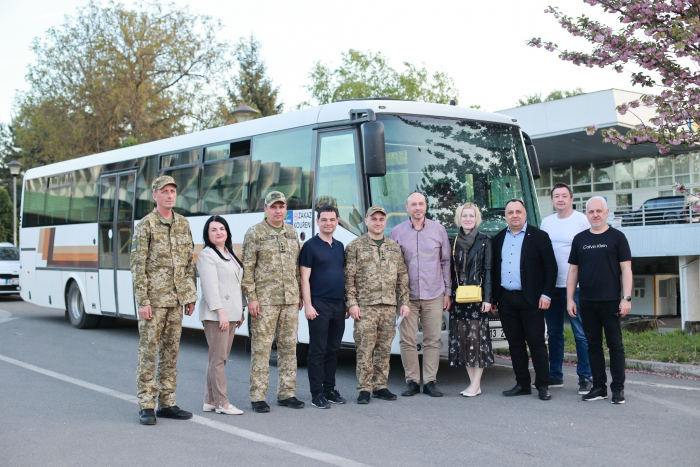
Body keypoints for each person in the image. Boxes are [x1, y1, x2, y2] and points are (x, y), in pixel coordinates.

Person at [131, 175, 198, 425]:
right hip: (154, 301)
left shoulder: (183, 223)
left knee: (171, 354)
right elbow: (138, 266)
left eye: (173, 191)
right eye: (165, 191)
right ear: (155, 196)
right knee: (149, 353)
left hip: (176, 301)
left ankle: (167, 402)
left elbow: (188, 262)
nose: (170, 195)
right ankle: (147, 404)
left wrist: (190, 296)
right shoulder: (146, 224)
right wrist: (143, 301)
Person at [241, 191, 304, 413]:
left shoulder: (292, 232)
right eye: (273, 207)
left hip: (289, 300)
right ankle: (258, 396)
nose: (278, 210)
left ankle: (287, 393)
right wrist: (252, 297)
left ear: (286, 209)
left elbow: (297, 266)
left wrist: (300, 295)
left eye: (282, 206)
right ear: (265, 209)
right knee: (262, 349)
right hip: (265, 302)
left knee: (289, 348)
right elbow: (247, 268)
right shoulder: (255, 233)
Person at [567, 196, 632, 404]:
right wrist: (570, 298)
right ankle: (599, 387)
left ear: (606, 212)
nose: (595, 214)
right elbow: (573, 271)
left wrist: (626, 298)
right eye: (591, 211)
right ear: (587, 215)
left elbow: (626, 269)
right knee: (593, 345)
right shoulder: (580, 239)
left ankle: (618, 389)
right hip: (586, 301)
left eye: (598, 211)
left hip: (611, 302)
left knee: (615, 346)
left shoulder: (617, 237)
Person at [492, 199, 557, 401]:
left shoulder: (539, 237)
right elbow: (494, 270)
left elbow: (551, 268)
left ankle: (543, 385)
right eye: (510, 212)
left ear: (525, 214)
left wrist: (546, 294)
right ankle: (522, 383)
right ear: (505, 216)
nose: (514, 215)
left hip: (532, 299)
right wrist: (494, 298)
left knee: (536, 342)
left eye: (518, 212)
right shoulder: (498, 239)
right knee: (515, 343)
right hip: (506, 299)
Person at [345, 206, 410, 404]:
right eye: (374, 219)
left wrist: (404, 301)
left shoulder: (393, 246)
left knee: (384, 348)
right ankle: (364, 388)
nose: (378, 222)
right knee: (365, 348)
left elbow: (402, 276)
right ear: (366, 221)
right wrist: (352, 303)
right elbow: (349, 278)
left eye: (381, 219)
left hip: (388, 306)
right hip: (365, 306)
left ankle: (380, 385)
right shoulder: (355, 246)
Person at [389, 192, 451, 398]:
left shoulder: (438, 230)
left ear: (425, 206)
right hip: (407, 297)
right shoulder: (397, 232)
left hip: (434, 293)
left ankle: (430, 381)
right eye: (413, 204)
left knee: (432, 339)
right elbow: (392, 267)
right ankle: (412, 381)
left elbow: (445, 263)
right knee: (407, 340)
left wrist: (448, 292)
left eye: (421, 204)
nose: (418, 207)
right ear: (407, 208)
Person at [540, 183, 593, 394]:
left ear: (571, 199)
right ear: (552, 200)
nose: (560, 199)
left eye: (564, 196)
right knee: (554, 333)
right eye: (556, 196)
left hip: (577, 288)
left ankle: (585, 377)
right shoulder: (547, 222)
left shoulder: (581, 220)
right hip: (552, 287)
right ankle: (555, 375)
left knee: (581, 334)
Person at [300, 205, 348, 409]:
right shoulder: (310, 246)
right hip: (319, 305)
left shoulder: (339, 246)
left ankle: (329, 389)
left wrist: (345, 303)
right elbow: (304, 278)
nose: (328, 223)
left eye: (332, 219)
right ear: (318, 221)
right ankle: (316, 393)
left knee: (333, 350)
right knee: (317, 351)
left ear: (337, 221)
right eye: (324, 219)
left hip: (338, 305)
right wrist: (308, 305)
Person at [197, 216, 245, 416]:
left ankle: (209, 400)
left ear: (227, 232)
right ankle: (222, 404)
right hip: (217, 314)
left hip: (232, 312)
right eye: (213, 230)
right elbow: (209, 287)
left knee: (219, 358)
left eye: (222, 229)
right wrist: (221, 312)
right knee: (218, 359)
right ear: (208, 234)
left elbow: (236, 284)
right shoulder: (207, 255)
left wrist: (240, 309)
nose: (218, 233)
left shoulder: (230, 253)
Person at [448, 203, 493, 397]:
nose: (468, 219)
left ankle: (476, 384)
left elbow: (489, 271)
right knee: (463, 341)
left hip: (477, 299)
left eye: (471, 216)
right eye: (464, 216)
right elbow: (450, 271)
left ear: (477, 219)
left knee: (477, 341)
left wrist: (488, 298)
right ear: (459, 219)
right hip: (459, 298)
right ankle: (472, 383)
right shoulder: (453, 241)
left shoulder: (484, 240)